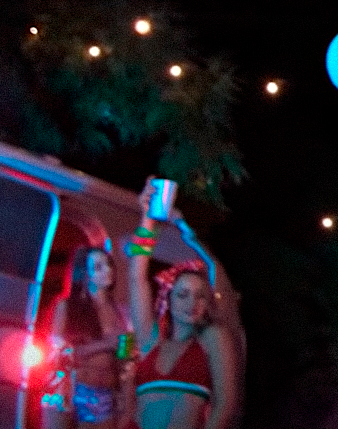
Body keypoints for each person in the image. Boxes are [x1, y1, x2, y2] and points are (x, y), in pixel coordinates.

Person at [127, 179, 241, 429]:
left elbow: (225, 403)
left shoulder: (211, 338)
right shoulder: (151, 342)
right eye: (183, 294)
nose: (192, 302)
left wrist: (184, 227)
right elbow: (137, 278)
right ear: (168, 299)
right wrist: (147, 219)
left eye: (200, 295)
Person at [50, 245, 130, 429]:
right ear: (85, 274)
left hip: (105, 394)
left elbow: (125, 360)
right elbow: (58, 356)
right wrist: (106, 344)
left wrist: (126, 395)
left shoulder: (121, 312)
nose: (108, 270)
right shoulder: (67, 307)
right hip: (67, 390)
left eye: (109, 264)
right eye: (98, 267)